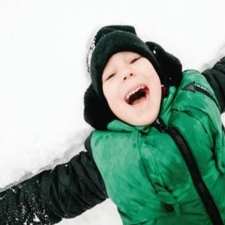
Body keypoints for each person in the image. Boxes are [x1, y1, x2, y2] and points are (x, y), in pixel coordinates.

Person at [0, 25, 225, 225]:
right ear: (108, 106)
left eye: (135, 60)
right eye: (111, 76)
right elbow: (51, 195)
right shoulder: (109, 156)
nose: (127, 73)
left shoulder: (196, 93)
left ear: (158, 73)